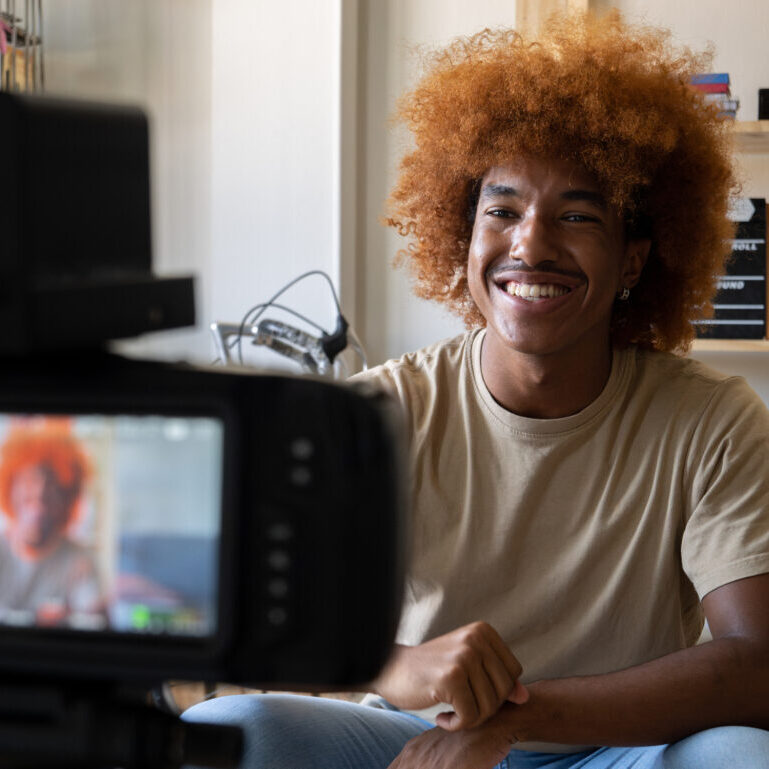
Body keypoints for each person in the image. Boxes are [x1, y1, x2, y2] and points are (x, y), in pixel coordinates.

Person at [184, 11, 769, 768]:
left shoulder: (711, 419)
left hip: (622, 749)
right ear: (461, 238)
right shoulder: (382, 412)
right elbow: (249, 625)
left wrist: (506, 720)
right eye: (502, 209)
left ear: (633, 262)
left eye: (576, 215)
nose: (530, 242)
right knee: (232, 728)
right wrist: (392, 666)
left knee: (740, 755)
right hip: (412, 738)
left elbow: (754, 663)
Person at [0, 419, 105, 626]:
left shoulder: (79, 560)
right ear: (10, 486)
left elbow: (94, 619)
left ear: (68, 498)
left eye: (53, 484)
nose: (39, 494)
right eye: (30, 479)